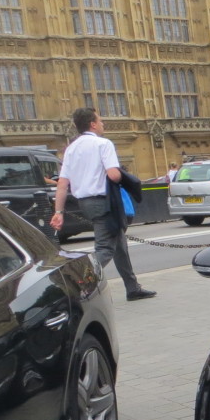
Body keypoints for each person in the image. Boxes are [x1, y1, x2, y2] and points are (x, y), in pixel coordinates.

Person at [51, 108, 157, 301]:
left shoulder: (71, 149)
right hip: (104, 202)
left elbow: (62, 184)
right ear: (92, 124)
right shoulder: (102, 144)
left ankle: (132, 287)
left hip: (85, 203)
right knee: (105, 248)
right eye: (100, 121)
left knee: (119, 244)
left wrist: (58, 212)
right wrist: (124, 176)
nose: (103, 124)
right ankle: (78, 283)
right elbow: (114, 175)